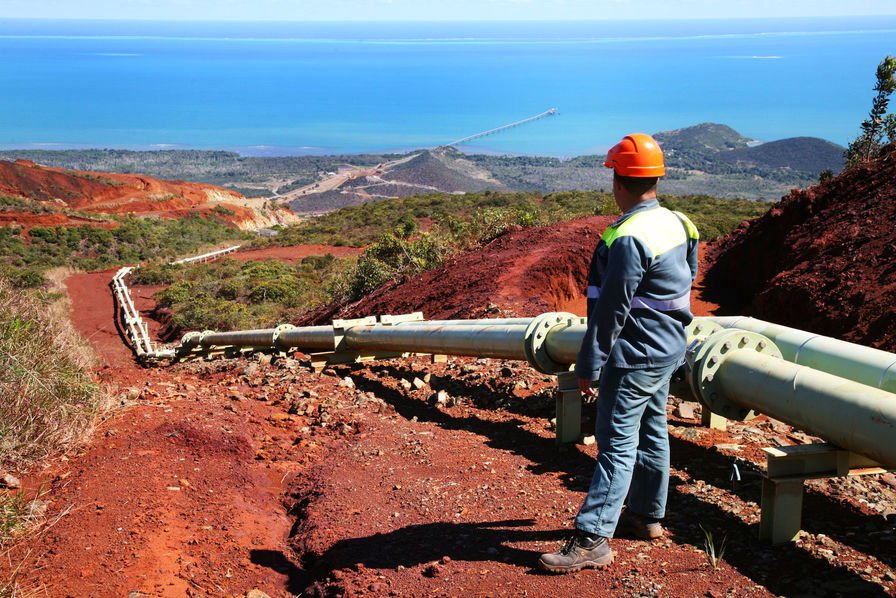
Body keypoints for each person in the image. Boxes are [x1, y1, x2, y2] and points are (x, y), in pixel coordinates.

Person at [539, 133, 699, 573]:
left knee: (616, 444)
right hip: (668, 347)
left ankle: (593, 537)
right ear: (656, 177)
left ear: (618, 179)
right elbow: (687, 279)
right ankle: (648, 515)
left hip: (634, 354)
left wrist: (590, 363)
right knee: (652, 429)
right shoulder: (680, 222)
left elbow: (611, 310)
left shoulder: (628, 236)